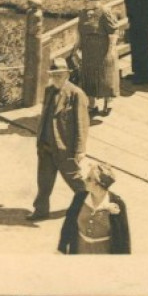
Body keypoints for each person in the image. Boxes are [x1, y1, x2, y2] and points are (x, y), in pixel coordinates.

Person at [32, 55, 89, 220]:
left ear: (67, 75)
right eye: (54, 75)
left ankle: (93, 206)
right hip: (45, 146)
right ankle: (40, 211)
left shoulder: (76, 94)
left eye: (60, 75)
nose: (56, 78)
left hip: (65, 148)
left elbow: (82, 125)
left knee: (76, 182)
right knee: (44, 182)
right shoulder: (49, 90)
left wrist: (80, 150)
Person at [58, 161, 132, 254]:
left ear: (99, 185)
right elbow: (68, 223)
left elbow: (124, 238)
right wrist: (62, 248)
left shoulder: (118, 203)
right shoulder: (80, 197)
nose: (84, 180)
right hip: (79, 251)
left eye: (89, 179)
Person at [77, 4, 122, 116]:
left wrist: (111, 49)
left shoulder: (104, 11)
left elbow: (113, 31)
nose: (83, 2)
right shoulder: (82, 13)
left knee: (105, 76)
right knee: (89, 75)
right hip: (88, 50)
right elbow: (79, 32)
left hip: (103, 48)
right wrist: (77, 46)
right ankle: (92, 105)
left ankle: (108, 103)